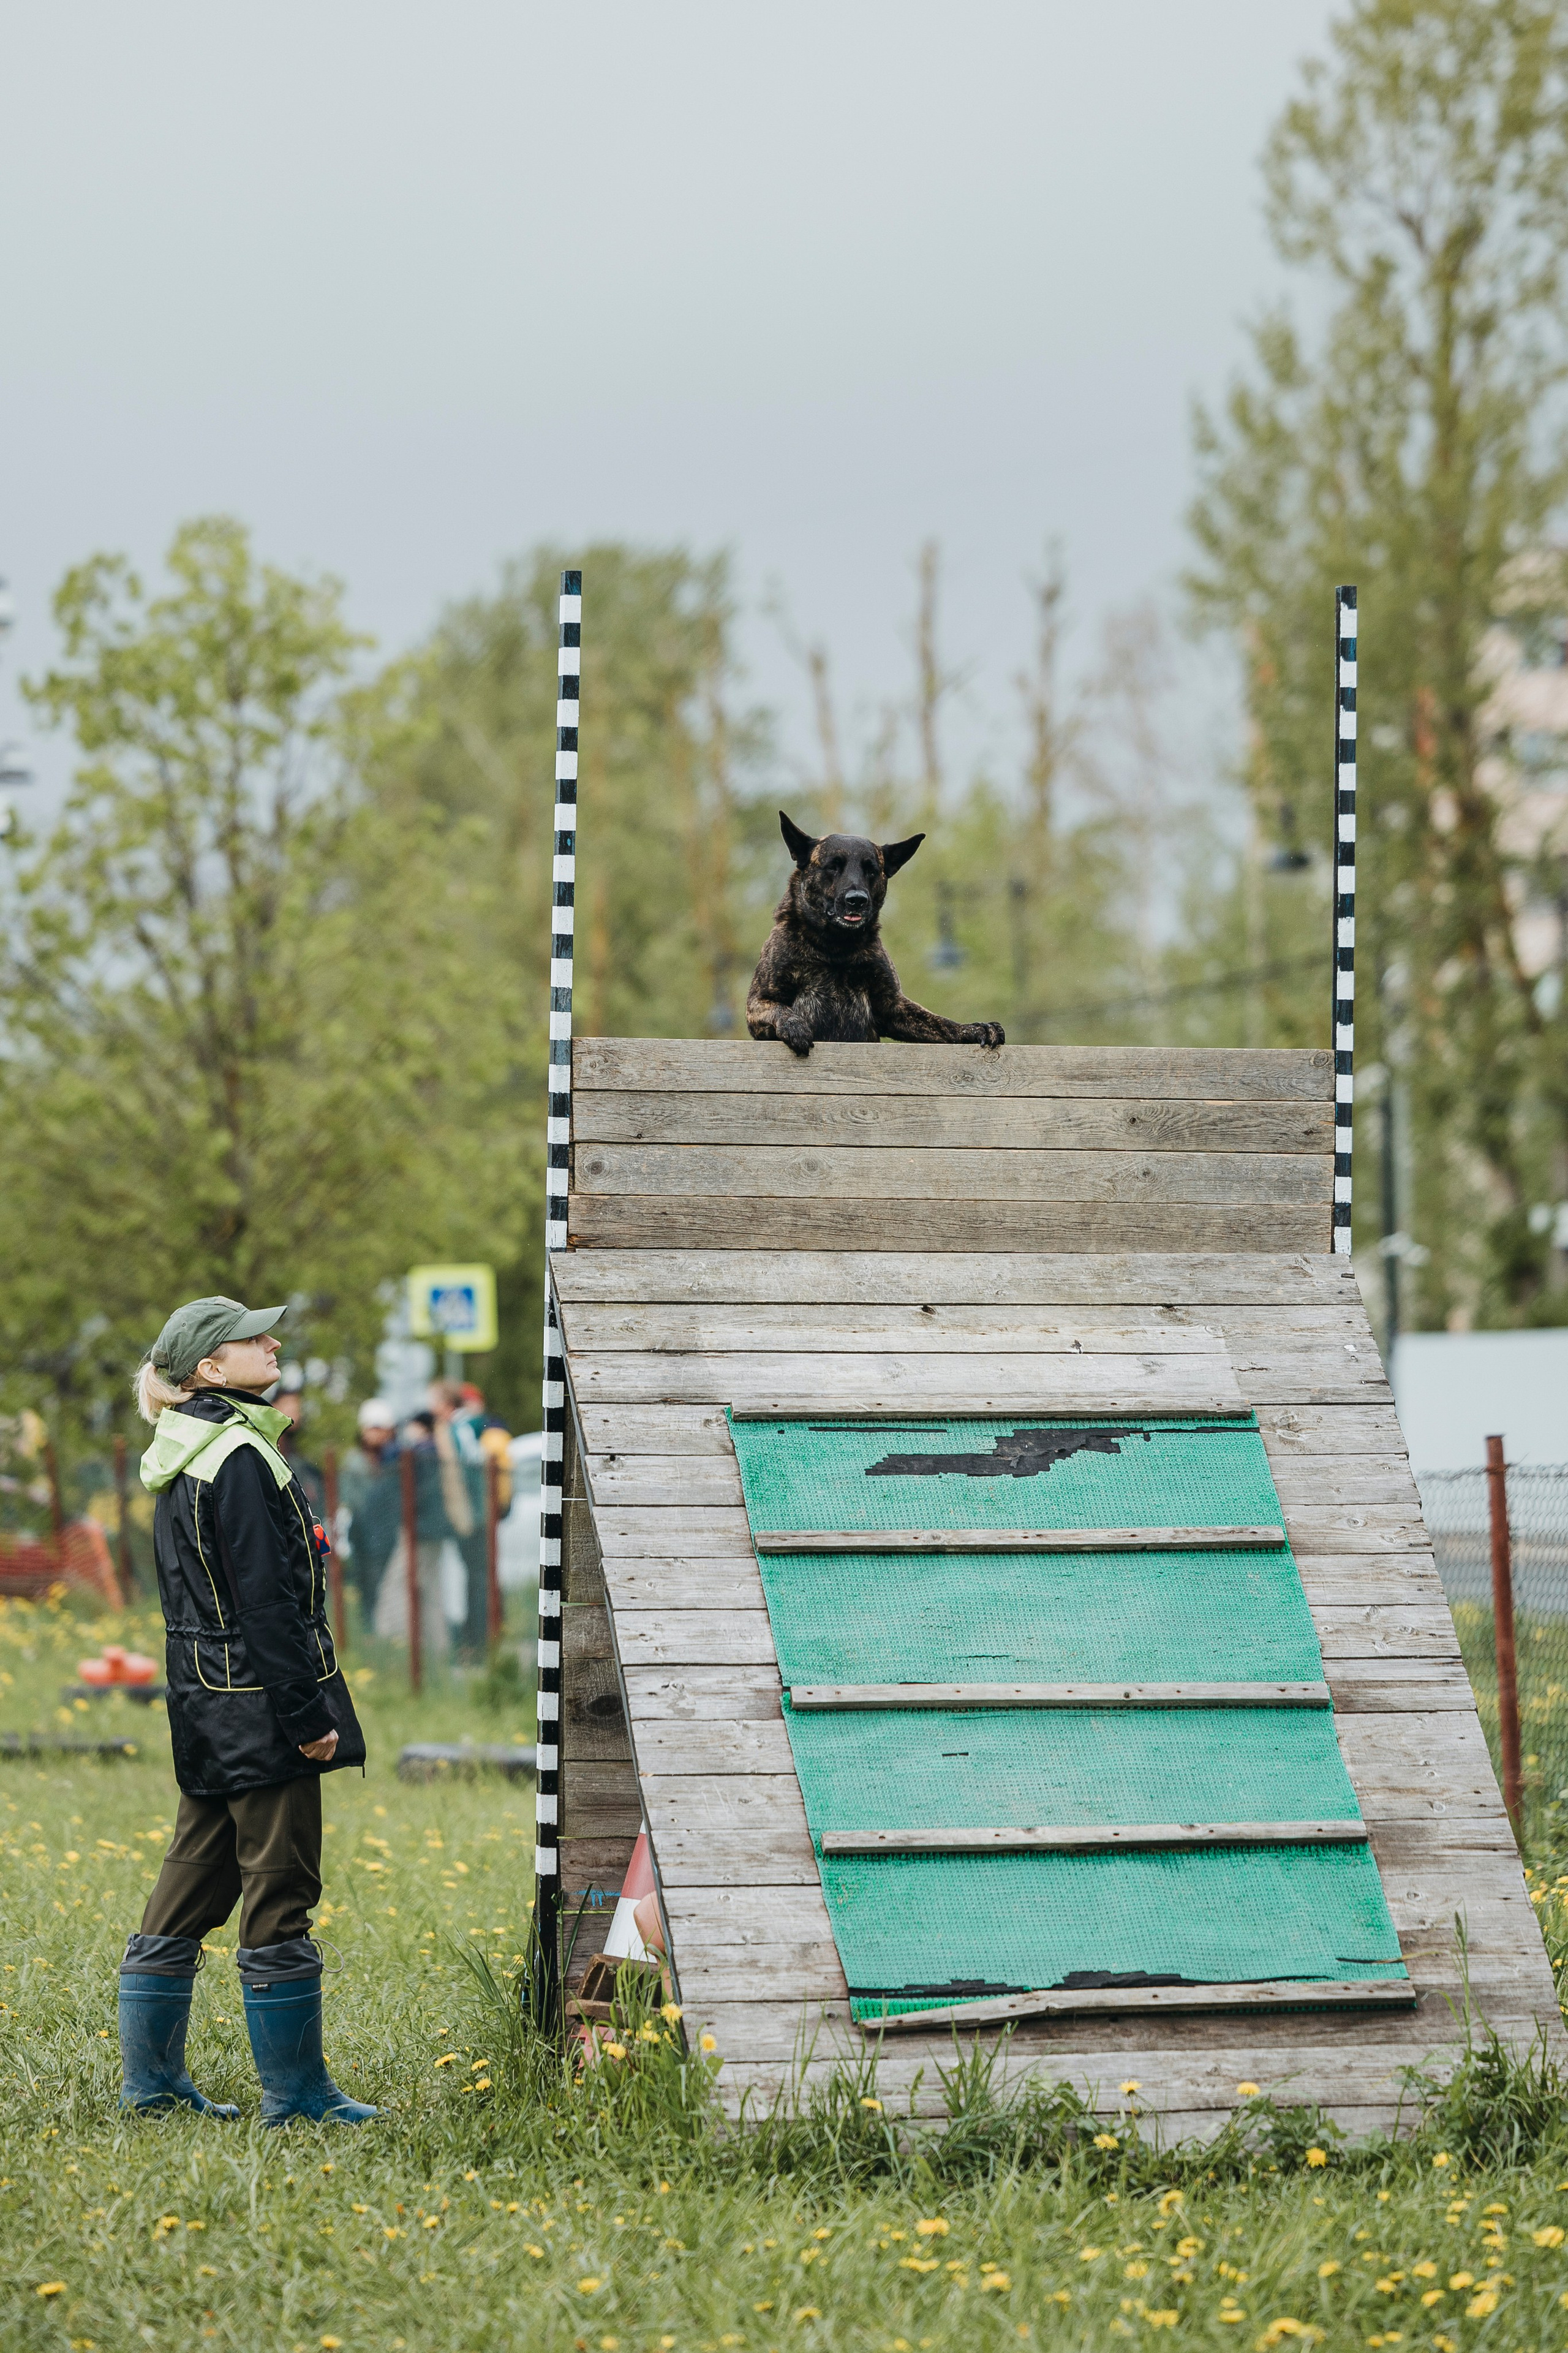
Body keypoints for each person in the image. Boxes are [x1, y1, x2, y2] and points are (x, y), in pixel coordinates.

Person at [119, 1294, 375, 2126]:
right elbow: (266, 1605)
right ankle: (298, 2099)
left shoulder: (183, 1446)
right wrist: (307, 1717)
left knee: (191, 1884)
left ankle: (153, 2088)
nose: (271, 1343)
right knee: (282, 1889)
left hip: (202, 1698)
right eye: (248, 1339)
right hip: (260, 1706)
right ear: (209, 1368)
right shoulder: (236, 1455)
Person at [336, 1400, 400, 1625]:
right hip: (365, 1535)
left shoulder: (393, 1461)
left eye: (382, 1430)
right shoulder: (354, 1462)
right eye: (374, 1429)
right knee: (369, 1585)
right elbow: (351, 1500)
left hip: (388, 1533)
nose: (378, 1435)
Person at [271, 1373, 326, 1517]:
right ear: (273, 1406)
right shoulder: (267, 1450)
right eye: (288, 1403)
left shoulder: (298, 1456)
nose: (296, 1409)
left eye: (297, 1404)